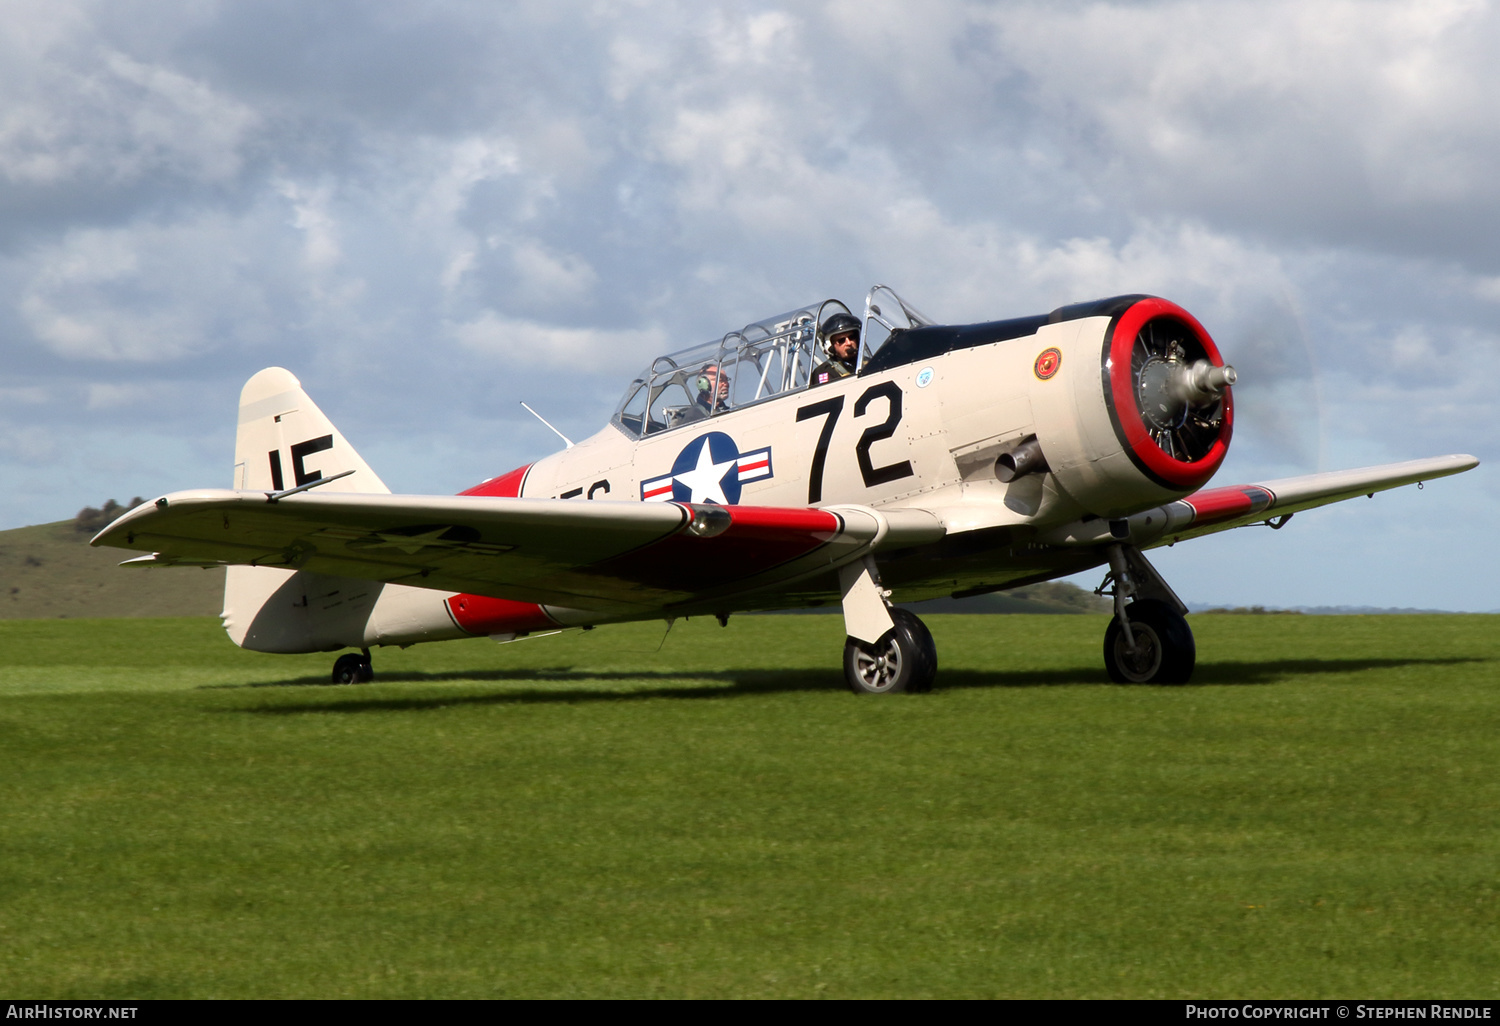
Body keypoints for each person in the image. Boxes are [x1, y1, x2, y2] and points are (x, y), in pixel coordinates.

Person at [811, 313, 860, 387]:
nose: (849, 343)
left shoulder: (869, 363)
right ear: (830, 346)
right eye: (841, 340)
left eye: (852, 337)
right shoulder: (824, 372)